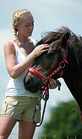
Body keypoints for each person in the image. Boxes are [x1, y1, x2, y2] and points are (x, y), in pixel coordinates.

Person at [0, 8, 57, 139]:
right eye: (27, 25)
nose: (31, 28)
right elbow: (13, 72)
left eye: (32, 24)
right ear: (16, 26)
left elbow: (42, 72)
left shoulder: (37, 44)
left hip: (34, 99)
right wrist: (33, 55)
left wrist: (49, 82)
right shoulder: (10, 45)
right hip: (15, 97)